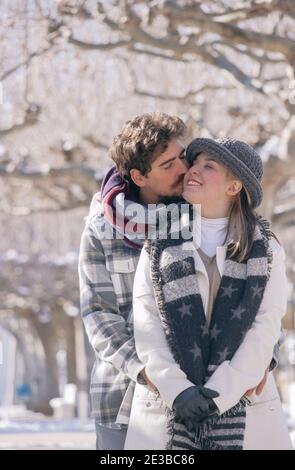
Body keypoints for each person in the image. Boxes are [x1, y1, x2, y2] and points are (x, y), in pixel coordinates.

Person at [125, 137, 292, 450]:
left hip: (246, 411)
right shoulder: (159, 245)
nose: (193, 170)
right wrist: (179, 392)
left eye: (209, 166)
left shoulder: (268, 252)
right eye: (195, 162)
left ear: (234, 187)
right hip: (166, 411)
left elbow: (266, 328)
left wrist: (220, 395)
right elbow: (146, 325)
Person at [78, 112, 188, 450]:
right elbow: (98, 314)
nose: (183, 169)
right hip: (123, 398)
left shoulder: (203, 215)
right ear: (139, 176)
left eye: (182, 156)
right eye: (168, 165)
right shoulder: (101, 229)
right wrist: (144, 371)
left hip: (195, 392)